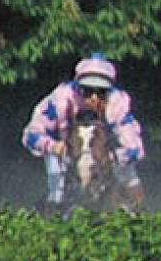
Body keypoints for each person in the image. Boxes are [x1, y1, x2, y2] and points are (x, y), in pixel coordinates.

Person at [21, 52, 145, 210]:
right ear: (77, 87)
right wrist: (53, 146)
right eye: (87, 91)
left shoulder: (117, 103)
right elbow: (30, 135)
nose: (94, 98)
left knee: (129, 174)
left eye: (101, 92)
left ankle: (138, 214)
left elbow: (136, 148)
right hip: (66, 151)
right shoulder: (60, 99)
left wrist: (112, 157)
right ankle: (52, 214)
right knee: (56, 181)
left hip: (103, 155)